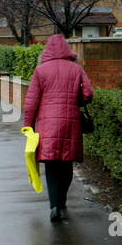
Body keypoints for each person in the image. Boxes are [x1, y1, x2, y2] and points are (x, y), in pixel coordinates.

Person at [24, 34, 94, 222]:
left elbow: (31, 102)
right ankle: (62, 201)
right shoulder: (76, 69)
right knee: (66, 163)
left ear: (47, 50)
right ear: (67, 49)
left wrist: (27, 126)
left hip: (47, 125)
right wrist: (75, 100)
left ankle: (54, 205)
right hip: (70, 122)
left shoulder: (40, 70)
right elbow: (88, 94)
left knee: (51, 164)